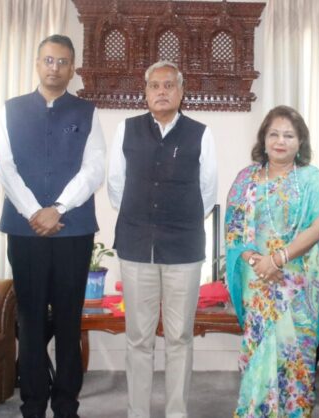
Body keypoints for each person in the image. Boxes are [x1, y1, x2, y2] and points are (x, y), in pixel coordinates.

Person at [0, 34, 105, 418]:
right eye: (48, 60)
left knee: (68, 319)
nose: (54, 68)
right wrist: (34, 212)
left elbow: (94, 168)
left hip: (72, 230)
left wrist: (58, 208)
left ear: (72, 68)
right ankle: (32, 404)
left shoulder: (87, 111)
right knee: (29, 319)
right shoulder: (11, 110)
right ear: (37, 63)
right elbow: (5, 166)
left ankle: (66, 406)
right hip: (24, 230)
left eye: (62, 62)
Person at [107, 60, 217, 418]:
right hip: (136, 245)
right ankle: (137, 412)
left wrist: (178, 220)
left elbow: (208, 191)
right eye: (155, 85)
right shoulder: (126, 129)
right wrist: (142, 218)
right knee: (138, 338)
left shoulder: (201, 133)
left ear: (182, 92)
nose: (162, 91)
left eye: (169, 85)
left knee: (179, 337)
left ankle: (176, 413)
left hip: (184, 249)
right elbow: (115, 185)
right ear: (146, 92)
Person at [224, 105, 319, 417]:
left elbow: (318, 228)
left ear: (300, 142)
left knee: (295, 360)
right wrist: (257, 262)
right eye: (274, 134)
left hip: (296, 283)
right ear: (263, 139)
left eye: (289, 135)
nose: (280, 141)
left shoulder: (312, 180)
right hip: (258, 281)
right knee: (259, 356)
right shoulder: (246, 179)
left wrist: (278, 259)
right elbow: (234, 228)